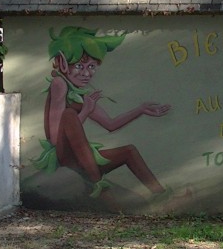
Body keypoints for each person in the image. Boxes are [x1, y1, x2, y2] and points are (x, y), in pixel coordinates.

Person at [34, 26, 172, 199]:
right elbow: (55, 138)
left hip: (82, 157)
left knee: (129, 151)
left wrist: (140, 110)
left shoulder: (81, 94)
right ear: (62, 63)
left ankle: (162, 196)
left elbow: (111, 124)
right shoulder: (59, 84)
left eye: (91, 66)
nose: (86, 73)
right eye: (79, 65)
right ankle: (99, 186)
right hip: (65, 157)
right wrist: (85, 111)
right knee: (69, 115)